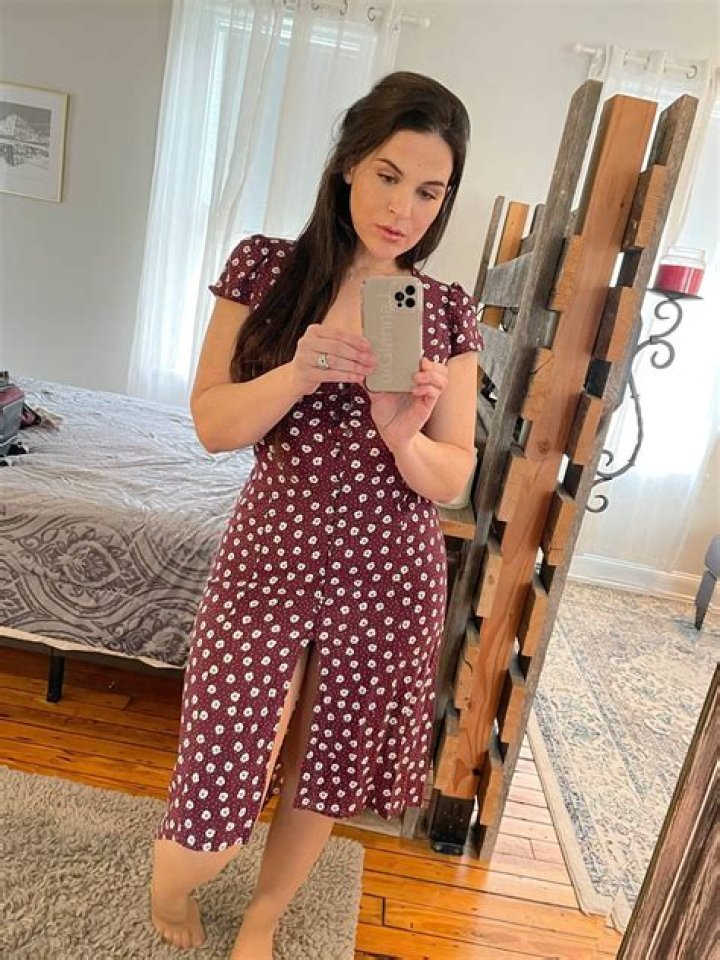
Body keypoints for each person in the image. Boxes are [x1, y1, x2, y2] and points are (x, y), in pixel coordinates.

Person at [149, 70, 483, 959]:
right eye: (388, 175)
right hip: (270, 557)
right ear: (347, 165)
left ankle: (265, 918)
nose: (403, 209)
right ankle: (175, 878)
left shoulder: (442, 310)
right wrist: (298, 373)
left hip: (390, 572)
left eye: (429, 191)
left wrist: (402, 436)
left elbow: (453, 474)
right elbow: (213, 425)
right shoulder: (266, 269)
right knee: (224, 770)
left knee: (324, 765)